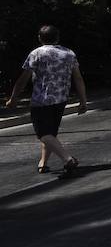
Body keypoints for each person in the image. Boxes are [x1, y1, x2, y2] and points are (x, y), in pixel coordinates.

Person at [5, 25, 86, 174]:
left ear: (40, 38)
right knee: (50, 133)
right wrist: (83, 100)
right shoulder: (69, 53)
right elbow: (78, 78)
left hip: (41, 100)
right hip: (61, 99)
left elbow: (23, 79)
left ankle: (68, 159)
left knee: (44, 134)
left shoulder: (36, 53)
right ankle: (43, 163)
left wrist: (13, 98)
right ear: (58, 37)